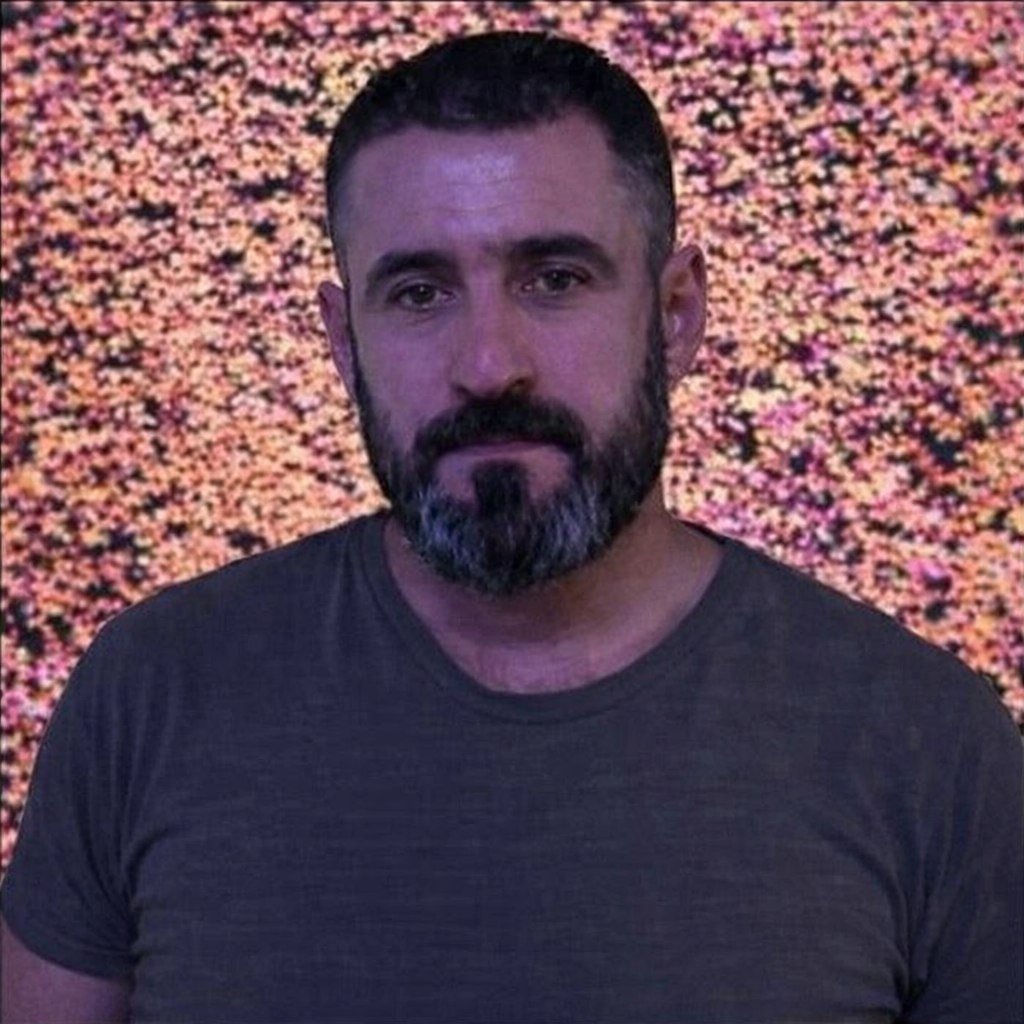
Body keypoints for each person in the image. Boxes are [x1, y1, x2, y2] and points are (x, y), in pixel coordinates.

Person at [1, 29, 1021, 1024]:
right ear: (343, 344)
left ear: (676, 314)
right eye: (418, 293)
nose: (489, 366)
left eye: (556, 279)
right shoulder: (153, 691)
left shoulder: (930, 746)